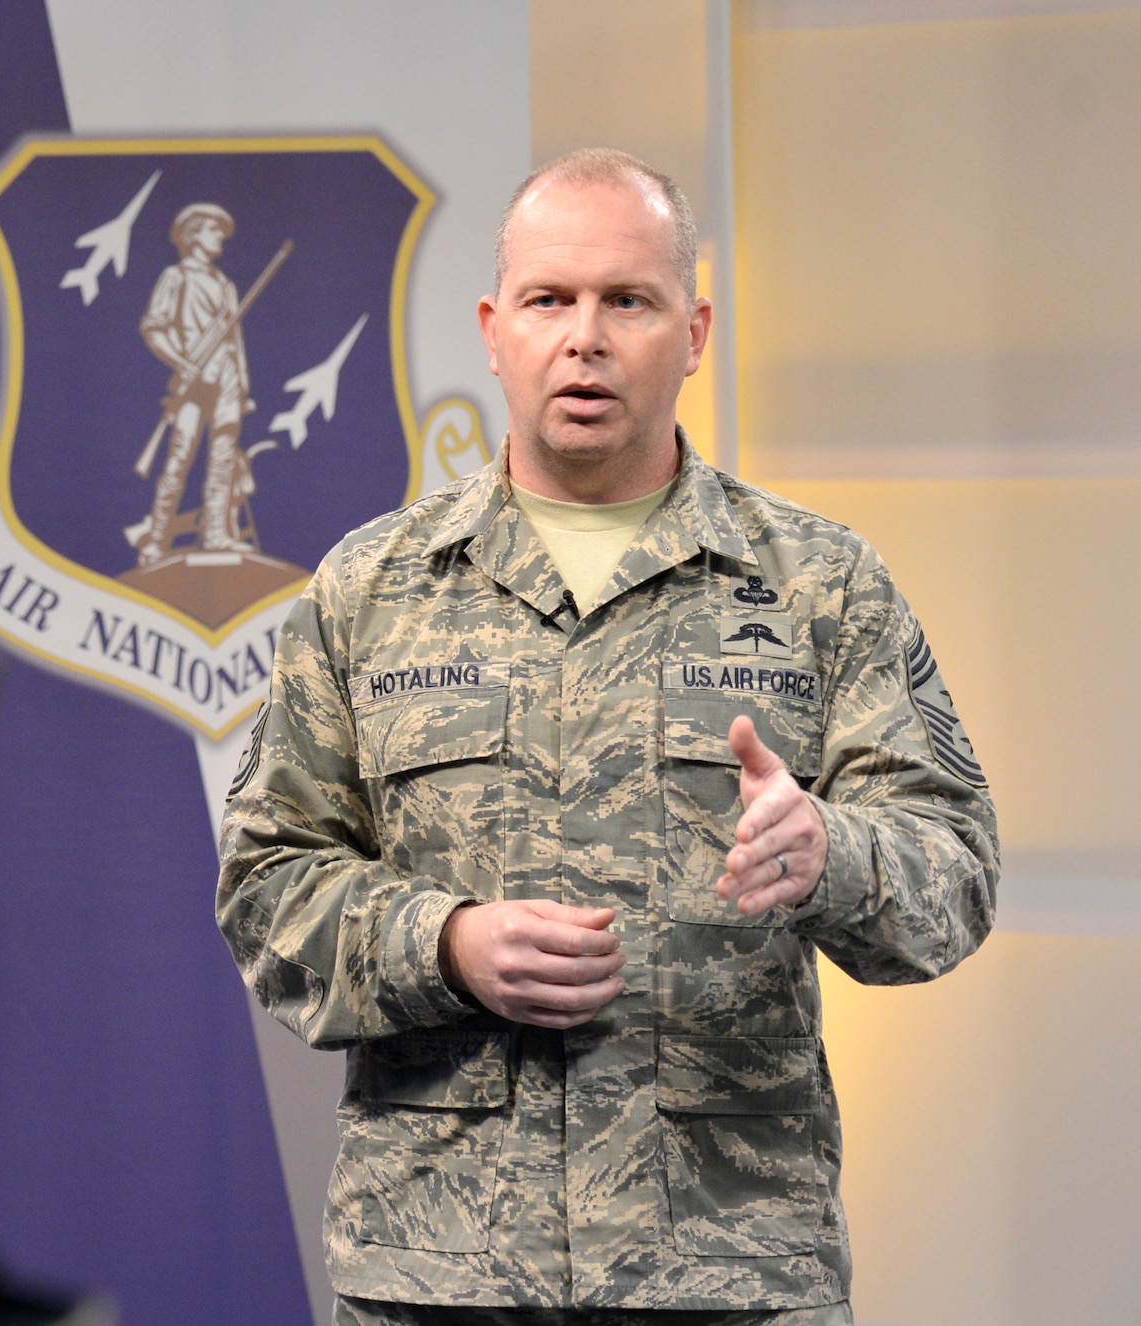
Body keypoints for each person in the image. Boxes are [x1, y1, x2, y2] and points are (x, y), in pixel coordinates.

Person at [215, 148, 999, 1326]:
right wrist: (445, 943)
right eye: (548, 299)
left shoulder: (818, 585)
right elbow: (264, 888)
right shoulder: (369, 590)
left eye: (625, 301)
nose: (583, 338)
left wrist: (828, 854)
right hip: (443, 1276)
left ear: (690, 332)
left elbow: (954, 873)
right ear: (492, 329)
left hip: (732, 1270)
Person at [134, 201, 254, 564]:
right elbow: (153, 328)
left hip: (227, 380)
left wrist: (243, 384)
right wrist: (182, 364)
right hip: (194, 380)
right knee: (179, 458)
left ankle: (217, 535)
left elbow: (236, 339)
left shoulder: (225, 284)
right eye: (213, 229)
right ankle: (156, 539)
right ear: (194, 234)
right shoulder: (177, 276)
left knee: (222, 459)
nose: (220, 237)